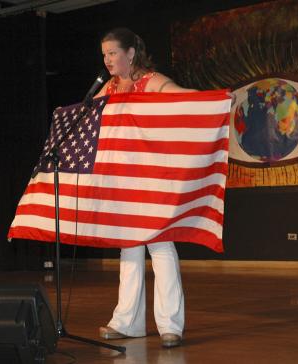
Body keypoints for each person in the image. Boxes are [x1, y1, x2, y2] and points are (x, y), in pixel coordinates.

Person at [95, 27, 234, 348]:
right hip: (124, 180)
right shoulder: (110, 88)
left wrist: (216, 99)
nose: (107, 60)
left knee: (160, 246)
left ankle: (170, 325)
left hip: (153, 180)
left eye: (113, 53)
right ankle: (126, 322)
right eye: (104, 54)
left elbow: (184, 97)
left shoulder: (152, 81)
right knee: (128, 249)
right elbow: (92, 118)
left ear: (130, 54)